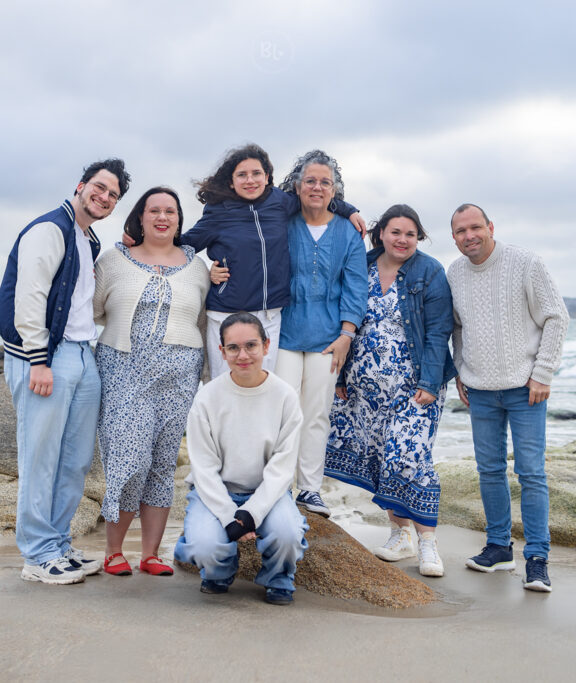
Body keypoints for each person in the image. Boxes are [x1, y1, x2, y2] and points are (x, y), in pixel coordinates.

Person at [0, 159, 130, 584]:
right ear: (81, 185)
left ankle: (57, 545)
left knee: (75, 460)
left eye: (112, 195)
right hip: (45, 355)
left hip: (81, 351)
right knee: (41, 458)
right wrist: (38, 359)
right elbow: (29, 297)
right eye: (100, 187)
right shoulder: (49, 229)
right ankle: (36, 557)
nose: (104, 197)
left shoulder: (88, 241)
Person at [325, 204, 456, 577]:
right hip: (364, 389)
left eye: (410, 234)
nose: (402, 240)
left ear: (419, 238)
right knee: (383, 459)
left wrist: (430, 383)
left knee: (410, 459)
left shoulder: (429, 271)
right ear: (380, 233)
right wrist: (338, 379)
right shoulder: (360, 265)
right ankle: (400, 535)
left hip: (414, 388)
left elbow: (438, 331)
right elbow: (342, 319)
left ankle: (428, 543)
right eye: (395, 232)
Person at [448, 202, 569, 593]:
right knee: (489, 471)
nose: (469, 236)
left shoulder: (525, 263)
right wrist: (460, 369)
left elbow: (557, 317)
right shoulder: (454, 273)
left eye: (475, 228)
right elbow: (458, 328)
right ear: (454, 237)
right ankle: (499, 547)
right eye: (460, 231)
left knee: (531, 473)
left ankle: (537, 559)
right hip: (480, 390)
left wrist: (543, 372)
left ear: (490, 227)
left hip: (525, 389)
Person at [93, 186, 210, 577]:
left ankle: (150, 554)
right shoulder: (113, 259)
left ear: (180, 220)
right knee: (130, 457)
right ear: (140, 218)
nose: (162, 217)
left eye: (170, 211)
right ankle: (113, 550)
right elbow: (90, 311)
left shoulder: (198, 266)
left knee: (162, 462)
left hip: (179, 374)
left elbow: (206, 321)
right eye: (154, 210)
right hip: (124, 369)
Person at [180, 143, 366, 377]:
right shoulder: (218, 212)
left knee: (263, 391)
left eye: (256, 173)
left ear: (267, 177)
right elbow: (183, 247)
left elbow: (315, 196)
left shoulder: (279, 202)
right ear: (231, 181)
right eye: (242, 175)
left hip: (268, 316)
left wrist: (349, 210)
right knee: (224, 389)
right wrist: (206, 273)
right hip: (227, 314)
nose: (250, 180)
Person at [174, 312, 308, 605]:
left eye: (251, 345)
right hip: (216, 491)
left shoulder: (285, 396)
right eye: (233, 348)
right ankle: (219, 572)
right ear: (221, 352)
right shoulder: (207, 397)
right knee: (206, 545)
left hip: (267, 492)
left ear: (266, 345)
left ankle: (278, 577)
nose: (243, 355)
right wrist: (227, 515)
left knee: (287, 534)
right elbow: (203, 467)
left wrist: (251, 513)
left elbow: (283, 467)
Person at [273, 150, 367, 519]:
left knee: (317, 414)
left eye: (324, 182)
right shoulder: (282, 221)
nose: (316, 187)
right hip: (282, 332)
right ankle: (278, 486)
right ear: (297, 186)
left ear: (335, 190)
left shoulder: (348, 231)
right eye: (310, 181)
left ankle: (309, 490)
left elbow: (355, 286)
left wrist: (347, 334)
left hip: (330, 337)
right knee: (282, 411)